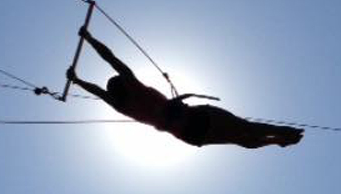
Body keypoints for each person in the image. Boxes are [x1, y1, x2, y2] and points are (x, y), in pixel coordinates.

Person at [67, 29, 303, 149]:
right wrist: (89, 38)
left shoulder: (123, 104)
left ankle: (276, 140)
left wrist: (77, 80)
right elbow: (111, 60)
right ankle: (282, 133)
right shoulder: (132, 89)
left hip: (190, 133)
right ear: (122, 85)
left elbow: (99, 89)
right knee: (245, 127)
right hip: (195, 119)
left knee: (239, 139)